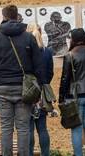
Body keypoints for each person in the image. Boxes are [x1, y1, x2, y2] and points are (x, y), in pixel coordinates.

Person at [0, 5, 42, 156]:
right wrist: (38, 88)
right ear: (17, 17)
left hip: (1, 87)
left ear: (3, 18)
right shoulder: (29, 37)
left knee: (5, 128)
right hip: (24, 88)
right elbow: (38, 65)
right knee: (23, 127)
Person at [59, 29, 85, 156]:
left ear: (72, 40)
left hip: (74, 96)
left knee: (76, 129)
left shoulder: (70, 55)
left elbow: (65, 79)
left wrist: (61, 98)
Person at [28, 23, 54, 156]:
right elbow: (50, 72)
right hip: (42, 92)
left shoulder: (25, 51)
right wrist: (44, 85)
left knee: (28, 128)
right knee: (42, 128)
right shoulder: (47, 51)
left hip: (27, 92)